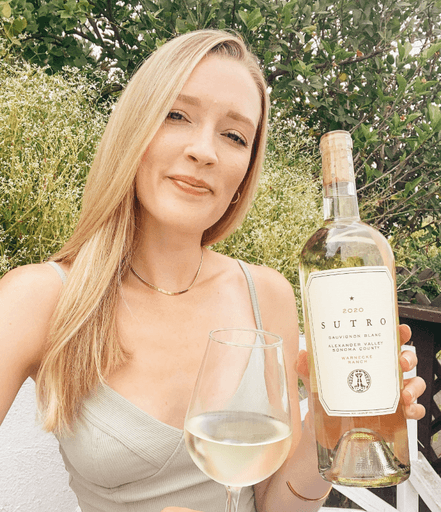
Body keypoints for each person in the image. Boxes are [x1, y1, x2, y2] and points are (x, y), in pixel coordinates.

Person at [0, 29, 425, 512]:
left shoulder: (267, 293)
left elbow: (276, 504)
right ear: (133, 131)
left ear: (244, 173)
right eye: (177, 115)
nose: (205, 150)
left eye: (234, 136)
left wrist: (324, 422)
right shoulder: (38, 298)